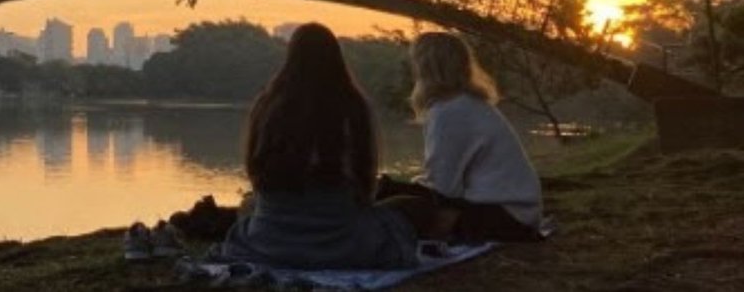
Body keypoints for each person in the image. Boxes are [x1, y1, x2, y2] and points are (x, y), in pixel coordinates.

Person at [217, 23, 419, 269]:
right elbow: (365, 181)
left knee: (249, 204)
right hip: (340, 240)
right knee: (409, 209)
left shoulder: (268, 104)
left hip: (269, 239)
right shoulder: (351, 103)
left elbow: (254, 173)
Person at [378, 32, 544, 242]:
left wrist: (409, 189)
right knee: (392, 192)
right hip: (519, 214)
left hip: (505, 218)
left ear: (426, 68)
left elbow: (444, 187)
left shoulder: (449, 111)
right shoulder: (470, 103)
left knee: (389, 198)